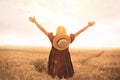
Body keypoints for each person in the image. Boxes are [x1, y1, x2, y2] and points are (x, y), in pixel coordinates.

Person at [29, 16, 95, 80]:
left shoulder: (53, 38)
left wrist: (35, 22)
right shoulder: (68, 39)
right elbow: (79, 32)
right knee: (67, 75)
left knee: (55, 76)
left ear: (57, 31)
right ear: (65, 32)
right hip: (65, 59)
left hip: (55, 60)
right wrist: (88, 26)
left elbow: (43, 30)